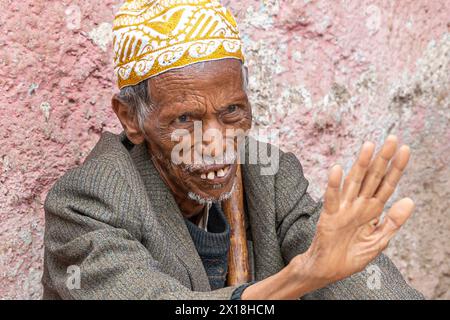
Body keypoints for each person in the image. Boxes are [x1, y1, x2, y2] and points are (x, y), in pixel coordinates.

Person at [42, 0, 423, 299]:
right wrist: (300, 277)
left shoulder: (269, 177)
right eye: (185, 119)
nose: (216, 141)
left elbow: (339, 267)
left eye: (232, 112)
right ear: (130, 118)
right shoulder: (86, 203)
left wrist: (333, 266)